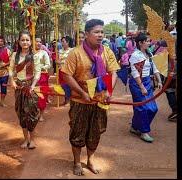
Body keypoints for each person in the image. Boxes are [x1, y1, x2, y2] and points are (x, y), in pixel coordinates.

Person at [61, 19, 120, 176]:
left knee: (96, 132)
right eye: (96, 32)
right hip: (80, 101)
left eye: (102, 32)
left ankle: (90, 160)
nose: (100, 35)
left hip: (100, 101)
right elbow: (66, 76)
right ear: (86, 34)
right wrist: (82, 92)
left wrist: (108, 91)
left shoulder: (107, 51)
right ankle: (76, 162)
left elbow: (114, 72)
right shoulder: (76, 53)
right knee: (77, 132)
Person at [9, 30, 42, 149]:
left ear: (30, 42)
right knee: (21, 113)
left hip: (30, 88)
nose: (25, 42)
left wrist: (33, 85)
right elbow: (11, 70)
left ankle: (32, 140)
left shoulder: (35, 56)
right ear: (19, 42)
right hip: (19, 88)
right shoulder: (14, 55)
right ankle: (25, 139)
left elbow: (38, 72)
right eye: (22, 40)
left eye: (27, 40)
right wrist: (12, 81)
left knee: (32, 114)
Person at [128, 33, 162, 142]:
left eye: (149, 41)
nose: (149, 43)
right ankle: (144, 132)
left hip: (147, 81)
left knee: (153, 108)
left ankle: (134, 126)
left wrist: (159, 81)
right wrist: (141, 87)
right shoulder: (135, 55)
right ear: (140, 43)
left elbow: (155, 68)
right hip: (137, 83)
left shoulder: (149, 53)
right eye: (147, 41)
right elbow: (135, 73)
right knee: (142, 108)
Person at [35, 37, 51, 121]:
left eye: (40, 42)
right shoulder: (30, 52)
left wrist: (39, 67)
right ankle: (34, 113)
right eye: (36, 41)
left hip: (42, 76)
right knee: (33, 96)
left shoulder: (44, 53)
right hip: (31, 77)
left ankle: (41, 115)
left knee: (42, 96)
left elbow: (48, 65)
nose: (38, 43)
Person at [57, 36, 73, 105]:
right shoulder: (60, 51)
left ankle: (68, 99)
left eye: (63, 41)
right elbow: (57, 60)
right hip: (60, 70)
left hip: (68, 71)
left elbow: (71, 61)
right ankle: (66, 98)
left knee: (68, 85)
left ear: (68, 42)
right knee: (62, 85)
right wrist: (57, 62)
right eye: (62, 42)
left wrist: (61, 62)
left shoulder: (72, 50)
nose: (62, 43)